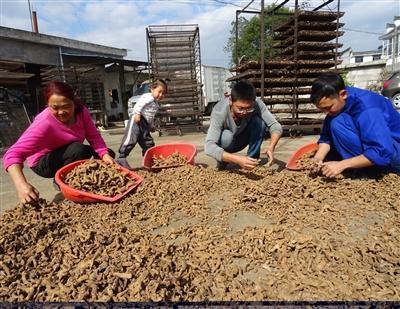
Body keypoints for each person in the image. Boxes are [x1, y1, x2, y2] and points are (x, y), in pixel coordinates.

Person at [2, 81, 115, 204]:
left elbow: (94, 137)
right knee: (78, 150)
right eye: (55, 108)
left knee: (107, 155)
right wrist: (21, 186)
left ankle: (88, 181)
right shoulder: (44, 123)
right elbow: (12, 154)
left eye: (66, 106)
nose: (61, 112)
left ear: (74, 102)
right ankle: (61, 181)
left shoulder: (82, 112)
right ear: (47, 105)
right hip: (43, 162)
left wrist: (104, 154)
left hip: (69, 152)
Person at [310, 73, 400, 177]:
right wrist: (317, 159)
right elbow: (326, 137)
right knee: (336, 121)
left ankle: (373, 171)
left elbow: (382, 151)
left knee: (337, 123)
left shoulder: (368, 109)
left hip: (394, 153)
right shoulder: (339, 101)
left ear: (343, 94)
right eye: (322, 109)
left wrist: (341, 165)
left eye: (328, 108)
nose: (326, 113)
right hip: (382, 149)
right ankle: (362, 166)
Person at [205, 79, 282, 170]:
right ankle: (223, 161)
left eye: (249, 108)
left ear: (253, 101)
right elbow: (209, 147)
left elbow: (276, 126)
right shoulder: (219, 111)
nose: (244, 112)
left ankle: (251, 160)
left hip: (243, 139)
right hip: (227, 143)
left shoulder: (257, 104)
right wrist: (236, 159)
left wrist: (271, 147)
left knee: (259, 122)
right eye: (240, 108)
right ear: (231, 101)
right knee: (226, 136)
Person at [116, 79, 167, 169]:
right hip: (137, 120)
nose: (161, 95)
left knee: (148, 142)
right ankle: (121, 158)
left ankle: (149, 160)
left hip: (145, 124)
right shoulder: (148, 97)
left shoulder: (156, 104)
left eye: (163, 93)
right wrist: (137, 114)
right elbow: (139, 104)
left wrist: (151, 126)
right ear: (152, 89)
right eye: (159, 92)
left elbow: (150, 116)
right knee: (131, 138)